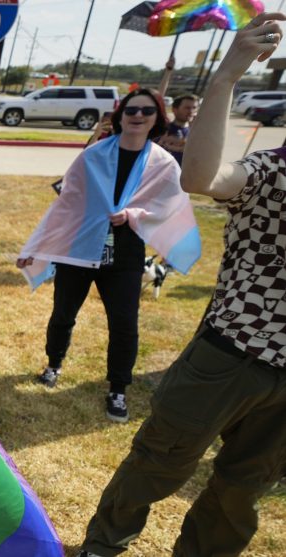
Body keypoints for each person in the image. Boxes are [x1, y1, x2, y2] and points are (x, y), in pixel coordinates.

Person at [79, 13, 286, 557]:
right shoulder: (274, 172)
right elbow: (202, 179)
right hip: (231, 354)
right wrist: (225, 78)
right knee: (158, 464)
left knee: (243, 492)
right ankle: (103, 546)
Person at [17, 88, 200, 424]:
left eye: (147, 111)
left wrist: (134, 215)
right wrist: (35, 246)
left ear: (157, 118)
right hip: (80, 247)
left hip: (126, 251)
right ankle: (53, 364)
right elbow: (67, 205)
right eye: (131, 110)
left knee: (124, 323)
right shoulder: (94, 155)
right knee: (63, 314)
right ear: (120, 115)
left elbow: (169, 207)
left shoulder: (162, 163)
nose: (138, 116)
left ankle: (118, 388)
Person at [157, 93, 200, 165]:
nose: (191, 111)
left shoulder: (196, 133)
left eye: (194, 108)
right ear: (175, 110)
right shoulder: (163, 129)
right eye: (187, 108)